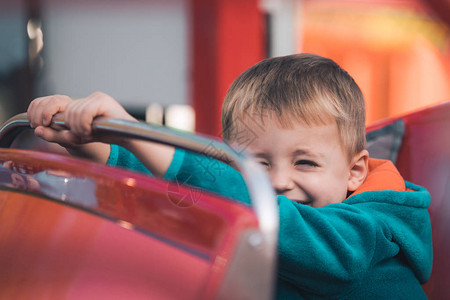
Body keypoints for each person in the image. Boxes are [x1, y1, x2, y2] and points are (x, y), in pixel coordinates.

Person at [27, 53, 432, 299]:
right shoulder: (256, 204)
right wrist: (97, 145)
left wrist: (151, 140)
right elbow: (183, 193)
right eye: (257, 165)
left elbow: (298, 232)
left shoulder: (365, 233)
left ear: (354, 172)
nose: (277, 182)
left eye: (305, 162)